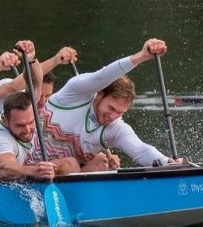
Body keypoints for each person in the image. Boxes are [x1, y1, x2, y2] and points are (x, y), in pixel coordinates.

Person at [42, 38, 182, 170]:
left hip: (60, 175)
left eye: (120, 112)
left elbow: (140, 149)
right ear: (100, 93)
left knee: (102, 164)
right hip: (29, 163)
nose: (113, 117)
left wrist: (167, 162)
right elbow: (102, 75)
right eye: (111, 108)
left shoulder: (115, 127)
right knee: (73, 164)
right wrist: (142, 56)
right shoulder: (76, 93)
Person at [0, 91, 78, 180]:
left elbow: (35, 81)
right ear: (5, 120)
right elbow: (5, 168)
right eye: (20, 125)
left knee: (69, 164)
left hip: (12, 178)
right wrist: (34, 171)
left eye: (31, 122)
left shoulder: (24, 110)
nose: (27, 130)